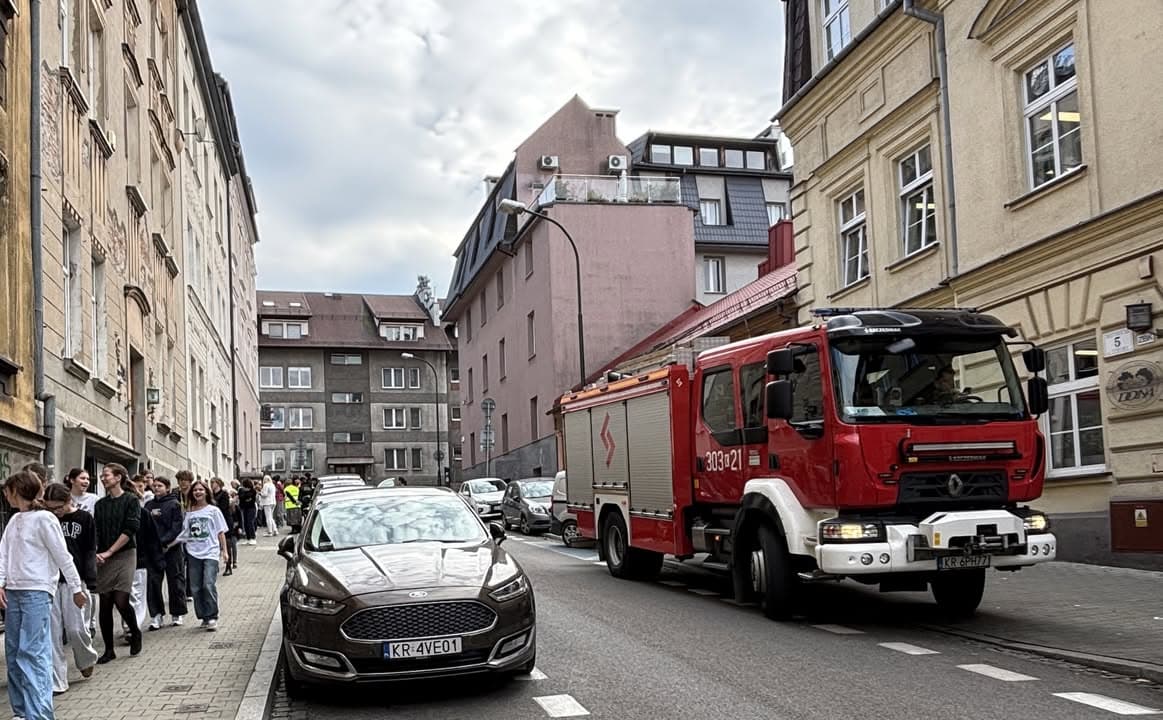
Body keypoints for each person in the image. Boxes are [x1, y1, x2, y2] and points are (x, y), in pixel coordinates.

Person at [0, 471, 87, 720]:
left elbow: (62, 555)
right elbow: (3, 554)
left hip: (37, 591)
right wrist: (1, 583)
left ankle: (39, 714)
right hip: (14, 591)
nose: (5, 494)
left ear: (18, 491)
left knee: (32, 652)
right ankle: (21, 711)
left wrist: (76, 588)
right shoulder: (14, 520)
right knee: (14, 652)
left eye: (7, 490)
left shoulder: (45, 519)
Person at [43, 483, 100, 693]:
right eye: (50, 508)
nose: (55, 512)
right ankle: (58, 679)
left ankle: (86, 658)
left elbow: (89, 550)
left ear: (68, 501)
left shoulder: (84, 518)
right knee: (53, 632)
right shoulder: (46, 519)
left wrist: (90, 579)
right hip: (51, 580)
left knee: (76, 628)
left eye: (58, 507)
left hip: (75, 580)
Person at [93, 463, 143, 662]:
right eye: (102, 475)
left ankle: (135, 631)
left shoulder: (131, 500)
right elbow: (96, 531)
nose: (103, 478)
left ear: (118, 477)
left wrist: (110, 551)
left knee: (121, 599)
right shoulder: (100, 505)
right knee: (105, 601)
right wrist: (97, 553)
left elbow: (131, 528)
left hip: (125, 554)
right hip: (104, 556)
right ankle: (108, 650)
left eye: (106, 475)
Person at [168, 479, 228, 630]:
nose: (198, 492)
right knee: (195, 587)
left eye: (201, 489)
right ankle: (204, 616)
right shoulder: (189, 512)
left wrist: (225, 551)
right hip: (193, 553)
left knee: (208, 584)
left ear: (206, 492)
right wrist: (169, 545)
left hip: (210, 552)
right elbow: (185, 533)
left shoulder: (214, 511)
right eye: (195, 490)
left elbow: (220, 532)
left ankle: (212, 616)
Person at [145, 476, 187, 629]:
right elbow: (145, 526)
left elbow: (177, 527)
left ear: (167, 488)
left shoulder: (174, 504)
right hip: (153, 550)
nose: (156, 488)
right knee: (153, 583)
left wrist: (165, 542)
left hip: (172, 549)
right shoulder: (149, 505)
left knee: (175, 581)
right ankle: (156, 615)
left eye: (160, 486)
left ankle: (177, 613)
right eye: (155, 486)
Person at [238, 478, 258, 545]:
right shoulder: (241, 490)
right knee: (245, 523)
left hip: (251, 508)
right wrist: (246, 498)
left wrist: (246, 498)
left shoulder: (253, 491)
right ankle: (248, 538)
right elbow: (242, 498)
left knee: (250, 522)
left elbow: (251, 500)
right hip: (245, 508)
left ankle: (253, 538)